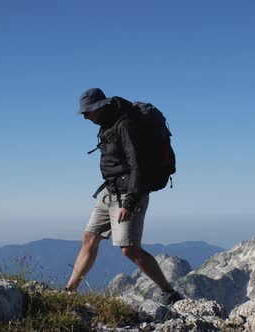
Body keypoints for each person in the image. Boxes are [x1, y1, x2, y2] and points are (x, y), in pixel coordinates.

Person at [65, 88, 184, 305]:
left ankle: (169, 293)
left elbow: (138, 166)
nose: (84, 116)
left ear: (99, 107)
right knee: (89, 237)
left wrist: (129, 203)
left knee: (129, 249)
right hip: (110, 192)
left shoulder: (125, 125)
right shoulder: (106, 126)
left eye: (87, 112)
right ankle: (69, 290)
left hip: (128, 195)